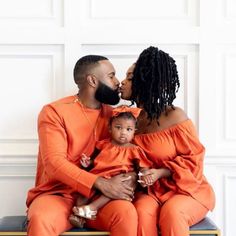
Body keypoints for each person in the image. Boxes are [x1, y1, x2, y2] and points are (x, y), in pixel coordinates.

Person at [26, 55, 138, 236]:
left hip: (97, 199)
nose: (117, 82)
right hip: (57, 195)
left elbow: (132, 155)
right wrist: (100, 183)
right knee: (41, 218)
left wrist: (130, 177)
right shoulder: (54, 112)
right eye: (111, 75)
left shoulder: (116, 117)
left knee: (126, 213)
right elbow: (54, 163)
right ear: (93, 80)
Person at [120, 46, 216, 236]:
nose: (123, 82)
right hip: (151, 192)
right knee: (140, 212)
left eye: (130, 78)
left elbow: (194, 161)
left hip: (187, 189)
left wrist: (160, 172)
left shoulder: (174, 115)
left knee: (172, 212)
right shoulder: (128, 122)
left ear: (145, 81)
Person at [69, 105, 152, 227]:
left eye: (128, 129)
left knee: (116, 188)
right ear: (110, 128)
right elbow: (94, 160)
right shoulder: (102, 144)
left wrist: (145, 174)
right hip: (98, 177)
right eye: (118, 127)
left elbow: (142, 166)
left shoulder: (134, 150)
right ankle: (81, 217)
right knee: (82, 195)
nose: (123, 132)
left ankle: (93, 208)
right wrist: (87, 163)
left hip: (119, 178)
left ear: (134, 131)